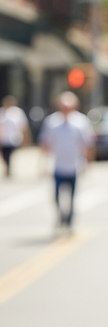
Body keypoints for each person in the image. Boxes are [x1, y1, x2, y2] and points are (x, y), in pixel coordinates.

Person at [39, 91, 95, 231]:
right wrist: (42, 163)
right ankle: (60, 216)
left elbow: (87, 144)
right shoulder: (52, 122)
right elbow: (46, 143)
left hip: (74, 165)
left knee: (71, 196)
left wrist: (88, 163)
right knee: (56, 196)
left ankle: (69, 219)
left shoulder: (81, 121)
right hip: (58, 165)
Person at [0, 95, 30, 177]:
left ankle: (8, 169)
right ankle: (8, 167)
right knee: (4, 155)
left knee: (8, 154)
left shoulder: (18, 112)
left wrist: (26, 139)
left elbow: (23, 126)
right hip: (3, 139)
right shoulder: (2, 112)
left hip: (14, 139)